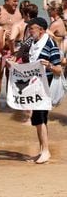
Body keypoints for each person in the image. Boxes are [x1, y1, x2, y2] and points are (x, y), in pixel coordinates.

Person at [25, 17, 61, 164]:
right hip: (35, 85)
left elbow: (58, 69)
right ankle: (42, 151)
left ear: (40, 29)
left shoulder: (50, 43)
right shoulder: (33, 43)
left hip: (46, 86)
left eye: (32, 28)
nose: (29, 30)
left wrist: (49, 66)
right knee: (37, 119)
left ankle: (46, 151)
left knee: (40, 117)